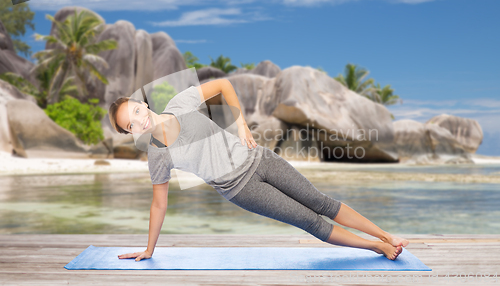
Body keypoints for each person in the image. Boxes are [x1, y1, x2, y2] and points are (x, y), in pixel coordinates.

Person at [108, 79, 408, 262]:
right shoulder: (157, 155)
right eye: (130, 125)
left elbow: (223, 85)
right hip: (241, 190)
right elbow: (159, 204)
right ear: (130, 133)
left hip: (261, 158)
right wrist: (149, 249)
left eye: (135, 111)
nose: (138, 121)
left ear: (142, 102)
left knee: (321, 203)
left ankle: (387, 236)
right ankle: (376, 247)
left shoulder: (180, 103)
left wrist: (240, 124)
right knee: (310, 222)